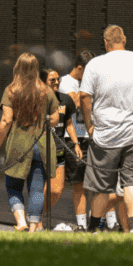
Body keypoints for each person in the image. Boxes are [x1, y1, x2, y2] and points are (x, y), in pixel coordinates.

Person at [78, 26, 133, 232]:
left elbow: (84, 96)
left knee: (101, 186)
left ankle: (91, 229)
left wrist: (89, 125)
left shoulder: (95, 64)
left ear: (106, 42)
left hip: (104, 134)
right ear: (124, 39)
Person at [0, 52, 59, 233]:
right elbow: (54, 119)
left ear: (17, 68)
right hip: (42, 144)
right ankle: (33, 228)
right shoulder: (47, 91)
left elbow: (6, 120)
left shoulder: (11, 90)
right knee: (37, 188)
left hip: (18, 145)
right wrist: (40, 120)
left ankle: (21, 222)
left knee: (13, 186)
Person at [39, 68, 83, 230]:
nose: (57, 82)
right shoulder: (36, 100)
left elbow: (69, 124)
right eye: (52, 80)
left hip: (58, 148)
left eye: (58, 79)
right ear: (43, 82)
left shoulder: (65, 100)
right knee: (41, 187)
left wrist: (76, 143)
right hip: (39, 149)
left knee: (57, 190)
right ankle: (36, 222)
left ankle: (37, 215)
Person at [58, 50, 95, 229]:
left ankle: (103, 222)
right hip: (75, 137)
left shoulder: (84, 83)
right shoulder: (65, 82)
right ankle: (81, 224)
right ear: (79, 68)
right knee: (79, 183)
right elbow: (76, 104)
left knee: (98, 182)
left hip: (93, 136)